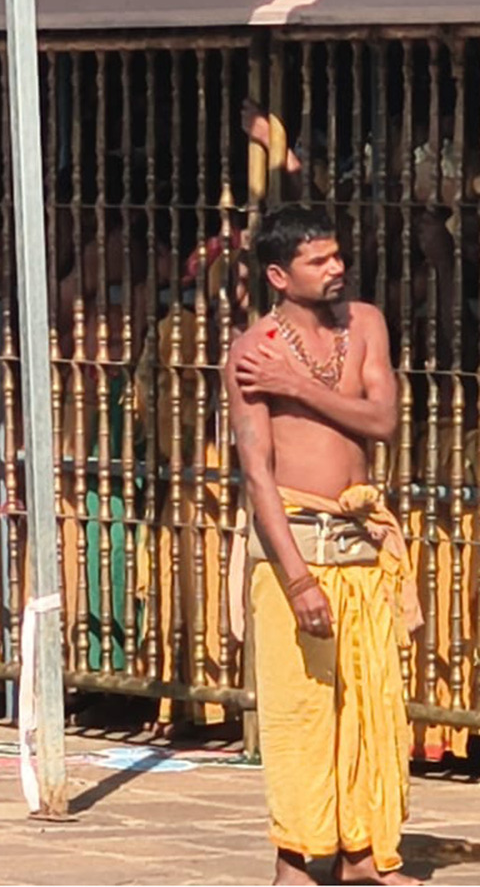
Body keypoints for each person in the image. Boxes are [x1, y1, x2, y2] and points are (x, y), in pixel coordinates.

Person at [227, 206, 422, 885]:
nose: (335, 268)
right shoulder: (254, 350)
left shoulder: (364, 323)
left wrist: (300, 386)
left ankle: (364, 854)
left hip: (362, 541)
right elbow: (259, 476)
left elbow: (384, 420)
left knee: (371, 704)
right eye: (318, 261)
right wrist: (299, 580)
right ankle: (297, 860)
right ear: (280, 275)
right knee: (302, 710)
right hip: (296, 550)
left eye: (337, 256)